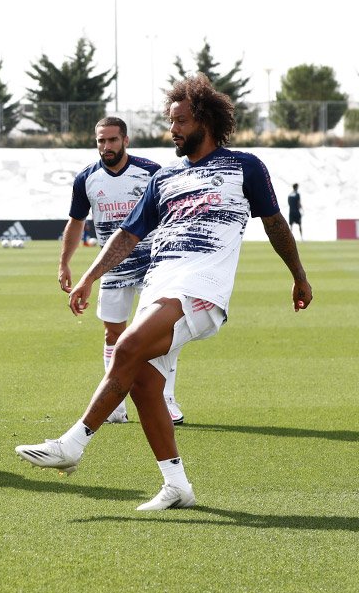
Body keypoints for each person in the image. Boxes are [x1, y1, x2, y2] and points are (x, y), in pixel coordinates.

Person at [16, 74, 312, 511]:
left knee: (127, 345)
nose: (170, 130)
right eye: (170, 121)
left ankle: (73, 443)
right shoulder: (164, 177)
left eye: (179, 121)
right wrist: (88, 277)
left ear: (205, 121)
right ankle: (176, 486)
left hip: (202, 289)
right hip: (161, 286)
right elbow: (128, 235)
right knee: (143, 384)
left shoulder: (244, 166)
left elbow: (274, 224)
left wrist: (299, 275)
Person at [59, 117, 184, 425]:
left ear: (126, 141)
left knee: (158, 333)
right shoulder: (86, 179)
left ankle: (166, 397)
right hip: (112, 269)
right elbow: (75, 223)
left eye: (112, 140)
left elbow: (174, 214)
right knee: (112, 332)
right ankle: (115, 402)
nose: (106, 146)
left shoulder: (152, 172)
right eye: (101, 141)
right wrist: (64, 263)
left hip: (152, 267)